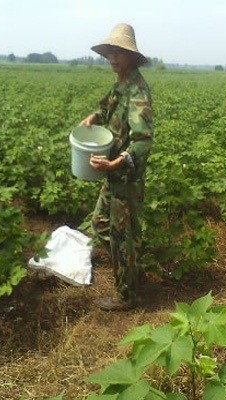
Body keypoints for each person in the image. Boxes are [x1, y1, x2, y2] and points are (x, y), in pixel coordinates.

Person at [80, 23, 153, 311]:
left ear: (131, 57)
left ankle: (127, 296)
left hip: (125, 176)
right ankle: (130, 262)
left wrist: (115, 162)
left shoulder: (138, 92)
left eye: (118, 53)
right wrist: (93, 117)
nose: (112, 57)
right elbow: (106, 108)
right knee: (101, 224)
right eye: (109, 52)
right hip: (113, 175)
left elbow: (144, 141)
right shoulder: (120, 84)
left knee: (123, 236)